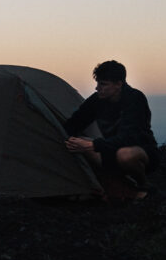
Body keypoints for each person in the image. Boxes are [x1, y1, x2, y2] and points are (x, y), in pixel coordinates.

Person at [63, 60, 159, 197]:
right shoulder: (96, 100)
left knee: (125, 155)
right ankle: (118, 184)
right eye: (98, 83)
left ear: (119, 84)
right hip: (110, 149)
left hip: (141, 152)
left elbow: (129, 138)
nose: (97, 88)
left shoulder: (135, 99)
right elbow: (75, 122)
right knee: (77, 142)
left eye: (103, 84)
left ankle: (143, 185)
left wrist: (93, 145)